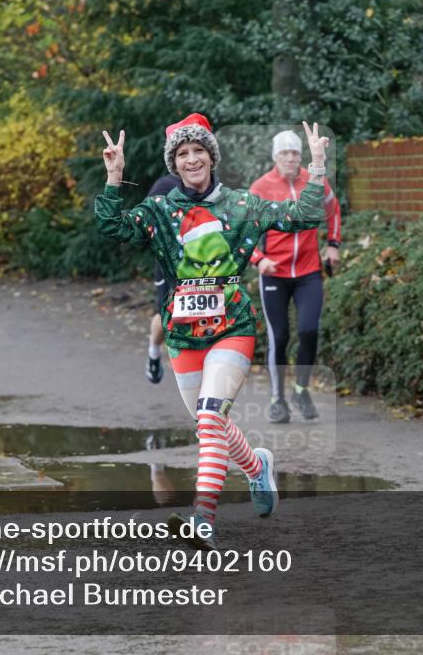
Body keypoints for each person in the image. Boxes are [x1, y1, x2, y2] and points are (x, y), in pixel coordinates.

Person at [96, 113, 330, 550]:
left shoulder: (241, 204)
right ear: (174, 163)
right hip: (183, 336)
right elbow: (113, 227)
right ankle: (257, 467)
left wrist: (315, 166)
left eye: (198, 151)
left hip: (231, 329)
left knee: (209, 416)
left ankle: (202, 519)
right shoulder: (160, 210)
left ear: (211, 156)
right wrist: (114, 178)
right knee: (212, 425)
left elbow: (305, 214)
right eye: (182, 154)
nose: (191, 160)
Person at [249, 130, 342, 423]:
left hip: (308, 272)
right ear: (275, 157)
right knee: (280, 336)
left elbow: (333, 209)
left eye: (295, 154)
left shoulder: (314, 180)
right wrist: (258, 260)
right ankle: (278, 400)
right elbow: (245, 231)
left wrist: (333, 244)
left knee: (308, 331)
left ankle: (301, 390)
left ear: (301, 157)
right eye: (284, 153)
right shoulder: (261, 188)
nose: (290, 158)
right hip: (273, 273)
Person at [145, 174, 180, 384]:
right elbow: (147, 220)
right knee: (165, 316)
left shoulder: (211, 185)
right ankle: (154, 353)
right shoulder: (166, 185)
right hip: (168, 264)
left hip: (200, 265)